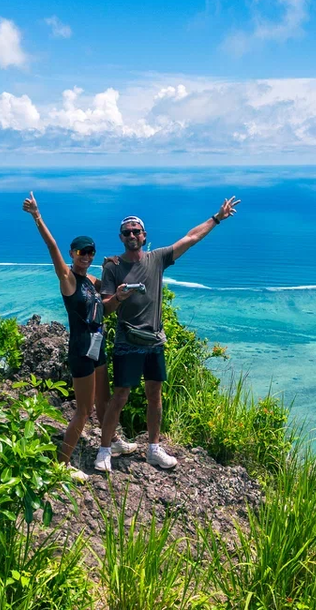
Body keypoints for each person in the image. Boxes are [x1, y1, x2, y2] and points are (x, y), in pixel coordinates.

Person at [95, 196, 241, 472]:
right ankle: (104, 449)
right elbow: (105, 310)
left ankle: (153, 448)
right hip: (127, 341)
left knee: (155, 394)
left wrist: (217, 218)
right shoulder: (113, 266)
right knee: (120, 396)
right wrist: (119, 296)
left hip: (154, 341)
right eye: (127, 233)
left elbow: (190, 238)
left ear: (144, 235)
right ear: (121, 237)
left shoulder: (157, 258)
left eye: (136, 232)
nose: (132, 236)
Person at [21, 192, 137, 481]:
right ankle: (61, 463)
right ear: (72, 254)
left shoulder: (92, 282)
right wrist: (37, 216)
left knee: (104, 401)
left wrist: (119, 296)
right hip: (81, 350)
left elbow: (106, 308)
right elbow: (52, 246)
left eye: (90, 253)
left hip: (97, 346)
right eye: (80, 252)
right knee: (84, 409)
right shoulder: (69, 280)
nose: (85, 257)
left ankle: (110, 441)